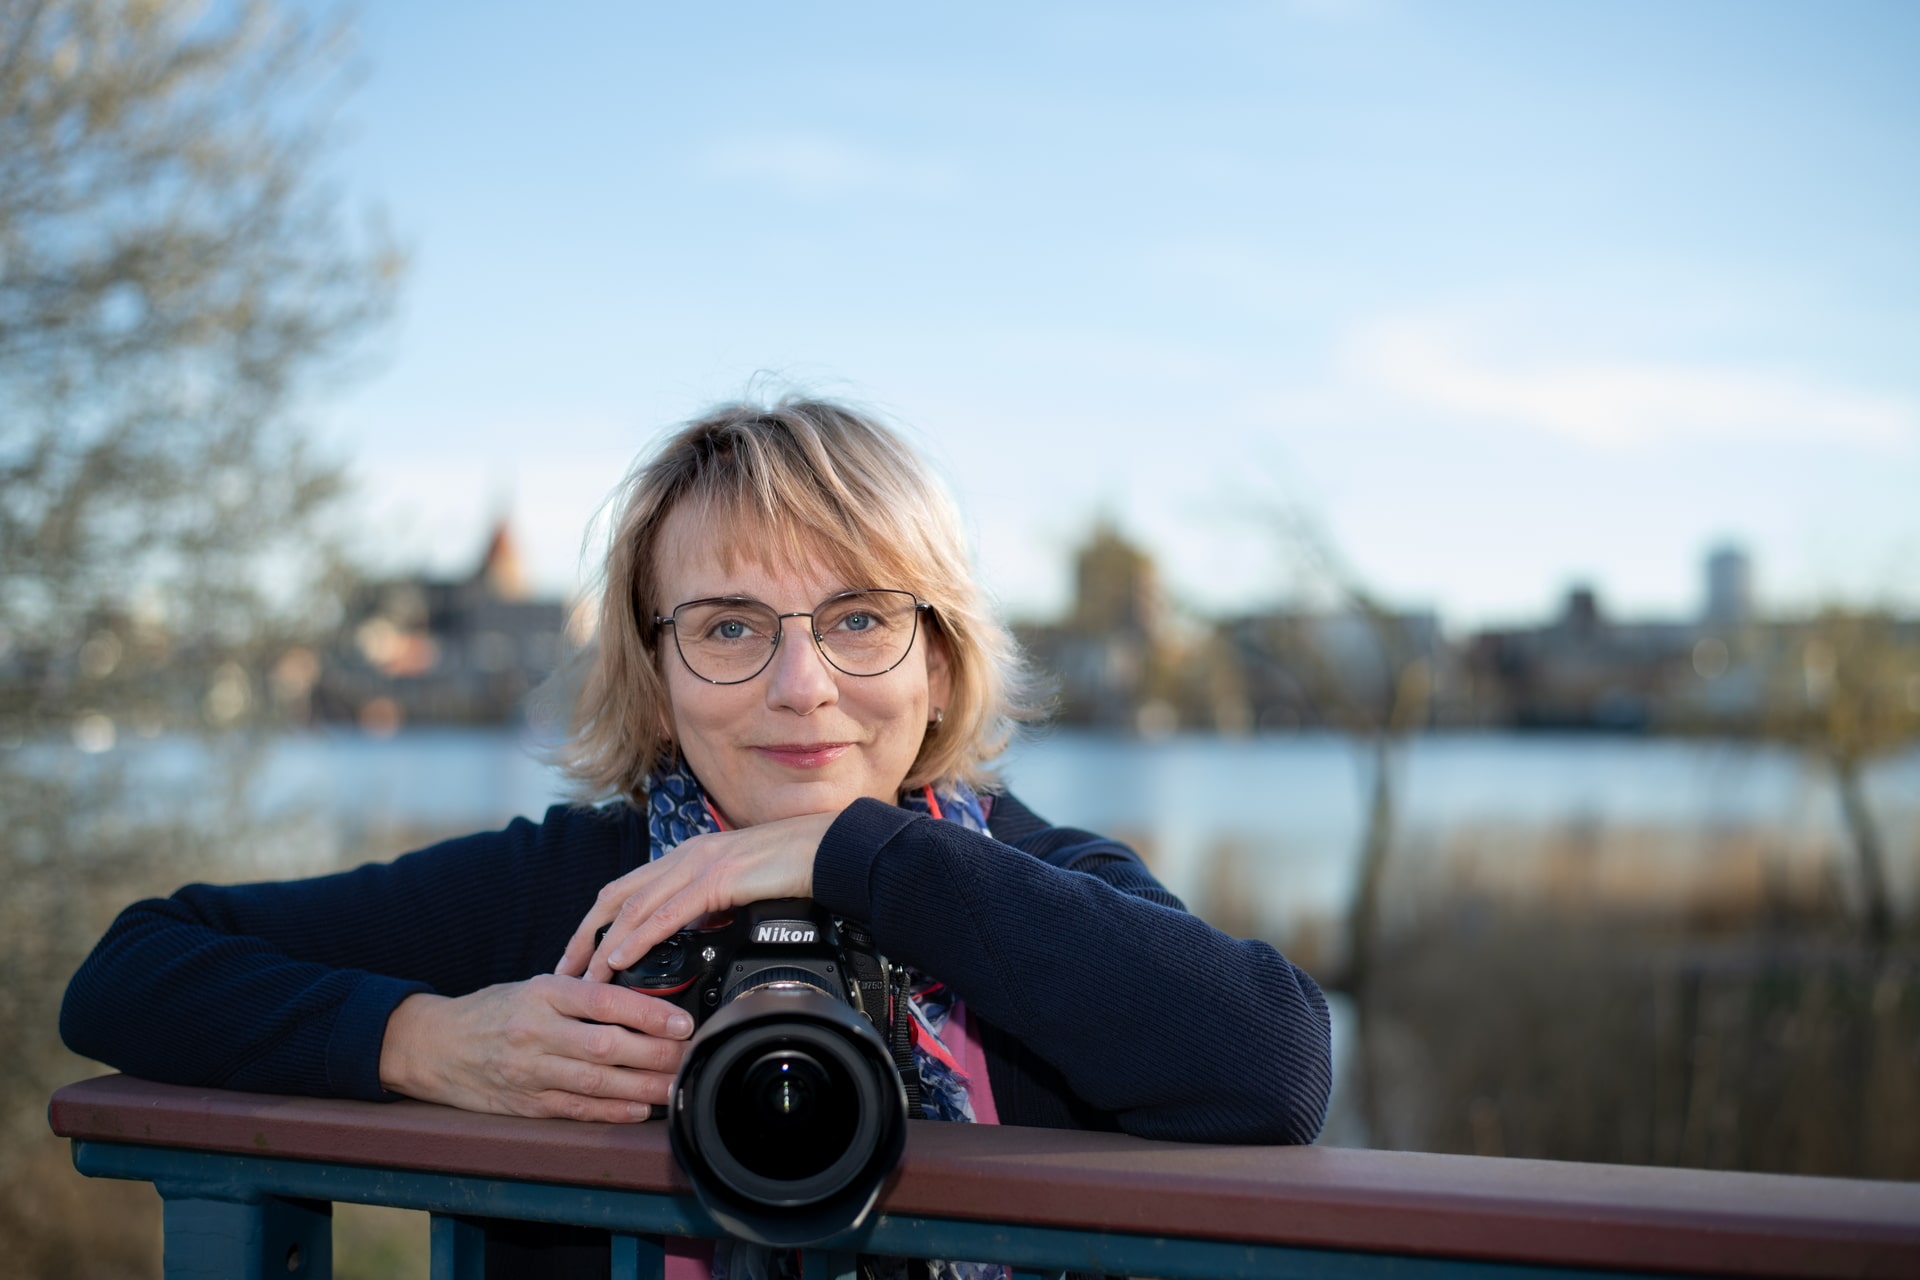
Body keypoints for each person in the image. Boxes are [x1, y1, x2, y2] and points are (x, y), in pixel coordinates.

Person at [62, 397, 1334, 1276]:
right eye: (729, 627)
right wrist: (433, 1041)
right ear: (657, 672)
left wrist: (855, 857)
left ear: (939, 663)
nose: (800, 685)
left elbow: (1273, 1066)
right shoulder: (578, 892)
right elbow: (135, 965)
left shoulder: (1028, 881)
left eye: (859, 619)